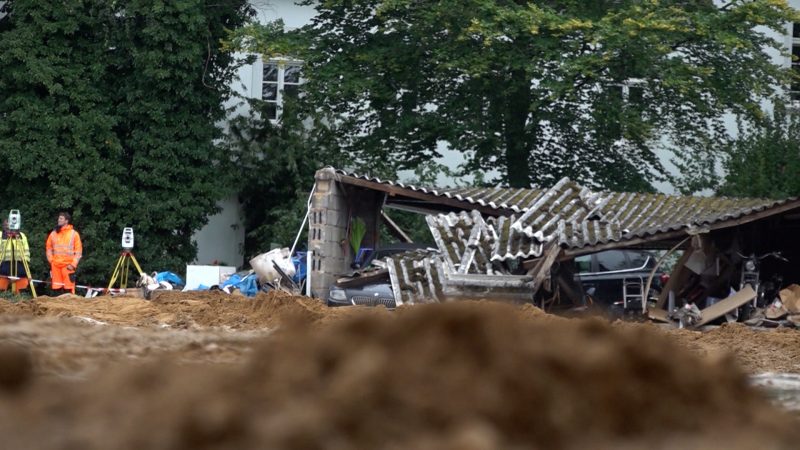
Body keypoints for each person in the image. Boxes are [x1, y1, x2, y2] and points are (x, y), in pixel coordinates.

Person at [46, 212, 82, 295]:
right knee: (56, 290)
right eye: (59, 218)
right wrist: (51, 261)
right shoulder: (53, 233)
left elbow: (78, 251)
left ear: (66, 221)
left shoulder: (74, 234)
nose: (59, 220)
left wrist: (73, 264)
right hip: (56, 265)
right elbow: (48, 248)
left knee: (68, 289)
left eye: (61, 218)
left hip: (68, 266)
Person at [0, 219, 30, 293]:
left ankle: (21, 299)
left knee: (21, 287)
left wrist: (25, 262)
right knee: (2, 286)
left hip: (20, 264)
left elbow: (26, 250)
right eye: (6, 226)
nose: (8, 227)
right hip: (4, 264)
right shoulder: (1, 235)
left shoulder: (21, 235)